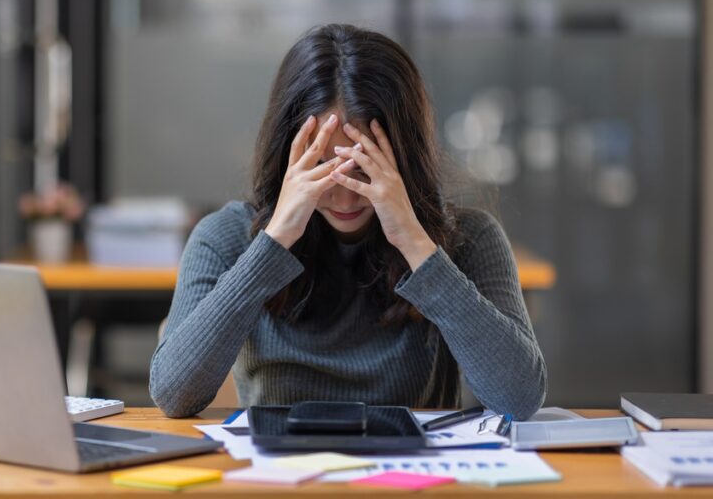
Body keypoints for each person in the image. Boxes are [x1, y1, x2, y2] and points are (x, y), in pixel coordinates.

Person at [149, 24, 546, 420]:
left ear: (406, 160)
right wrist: (274, 243)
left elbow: (520, 399)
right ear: (287, 156)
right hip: (281, 477)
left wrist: (416, 243)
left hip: (414, 477)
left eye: (364, 170)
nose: (344, 196)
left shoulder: (469, 239)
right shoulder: (228, 236)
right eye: (322, 169)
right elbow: (173, 394)